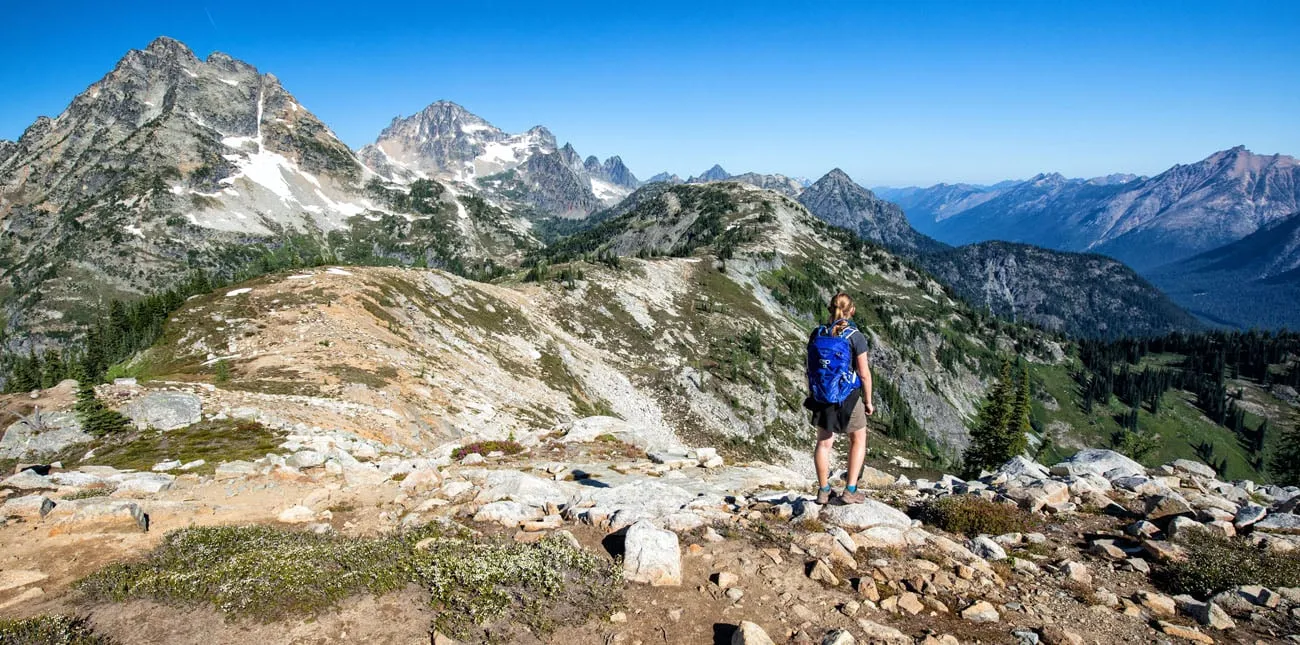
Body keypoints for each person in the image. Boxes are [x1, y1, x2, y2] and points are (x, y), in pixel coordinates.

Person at [805, 292, 874, 504]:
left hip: (822, 395)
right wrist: (868, 401)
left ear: (830, 309)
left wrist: (813, 392)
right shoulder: (855, 336)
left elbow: (810, 367)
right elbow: (864, 374)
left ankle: (824, 490)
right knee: (858, 439)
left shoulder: (818, 333)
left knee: (824, 443)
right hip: (848, 396)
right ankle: (850, 490)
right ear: (851, 310)